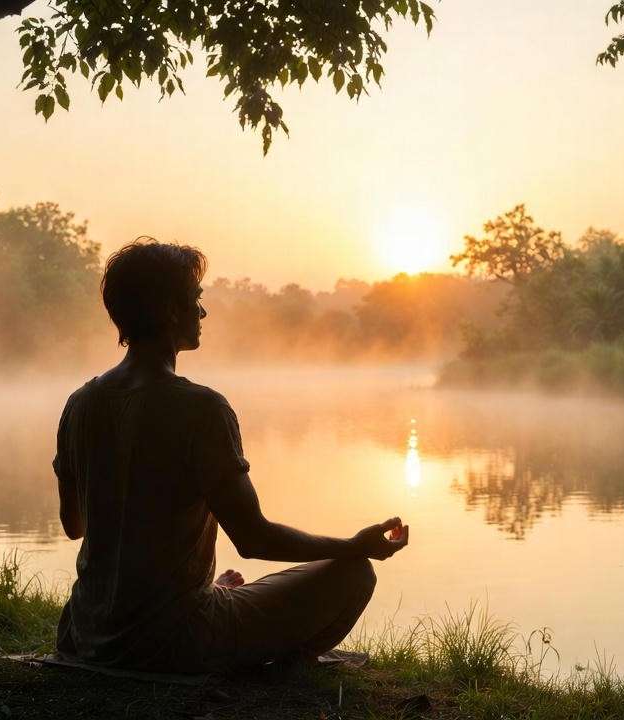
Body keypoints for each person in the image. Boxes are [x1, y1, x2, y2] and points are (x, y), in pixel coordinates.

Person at [52, 238, 409, 673]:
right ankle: (277, 668)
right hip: (175, 643)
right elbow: (254, 539)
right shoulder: (202, 409)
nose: (202, 313)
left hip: (84, 635)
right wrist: (354, 545)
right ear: (170, 311)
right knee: (353, 573)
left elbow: (74, 525)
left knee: (231, 593)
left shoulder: (80, 404)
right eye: (195, 299)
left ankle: (214, 611)